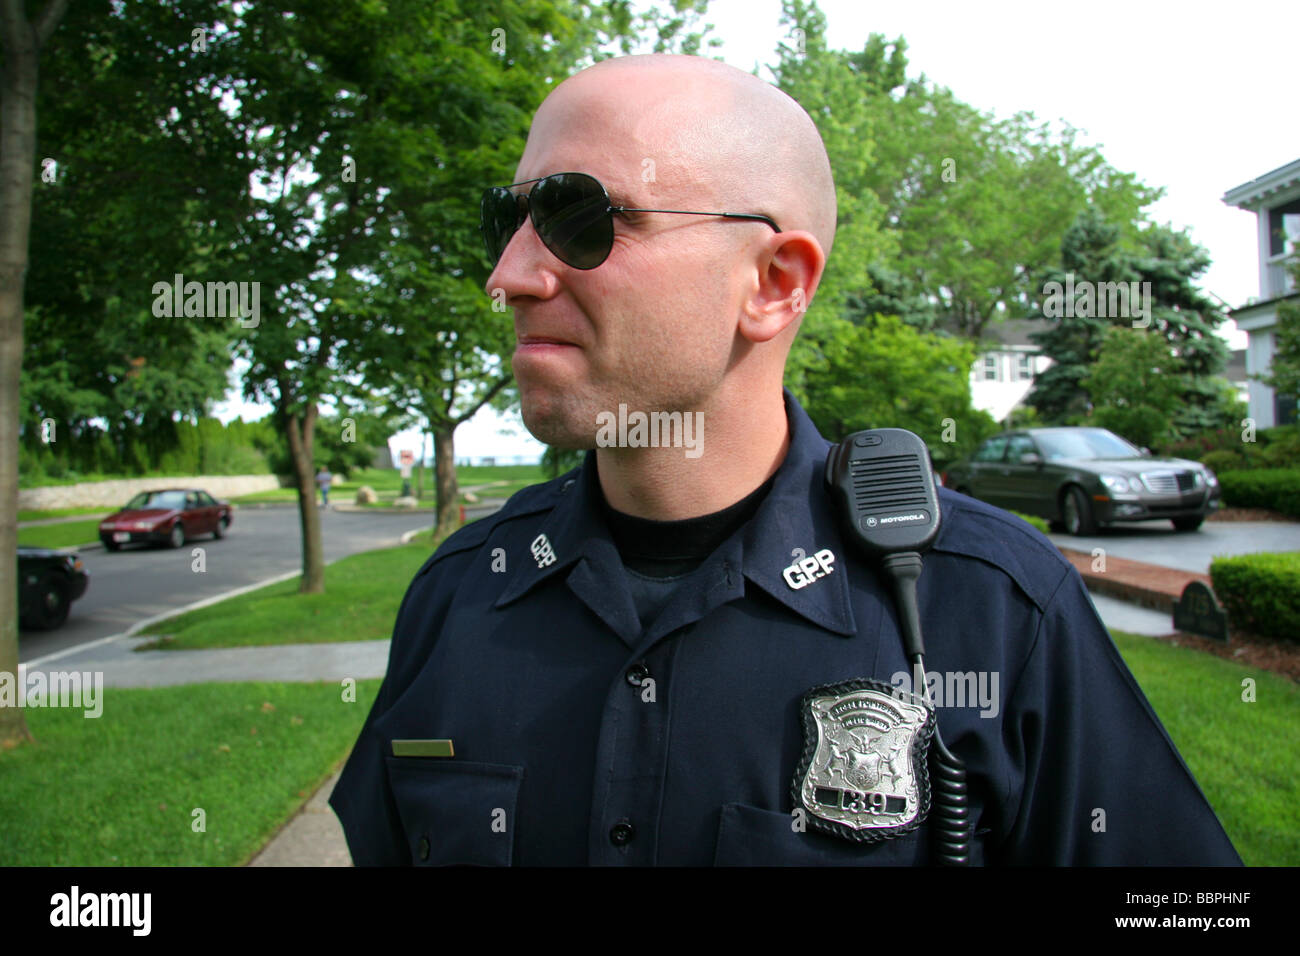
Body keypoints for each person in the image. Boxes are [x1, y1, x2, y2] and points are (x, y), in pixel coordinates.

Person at [329, 54, 1241, 866]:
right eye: (510, 219)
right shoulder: (459, 595)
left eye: (579, 219)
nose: (512, 276)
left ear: (772, 285)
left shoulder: (996, 611)